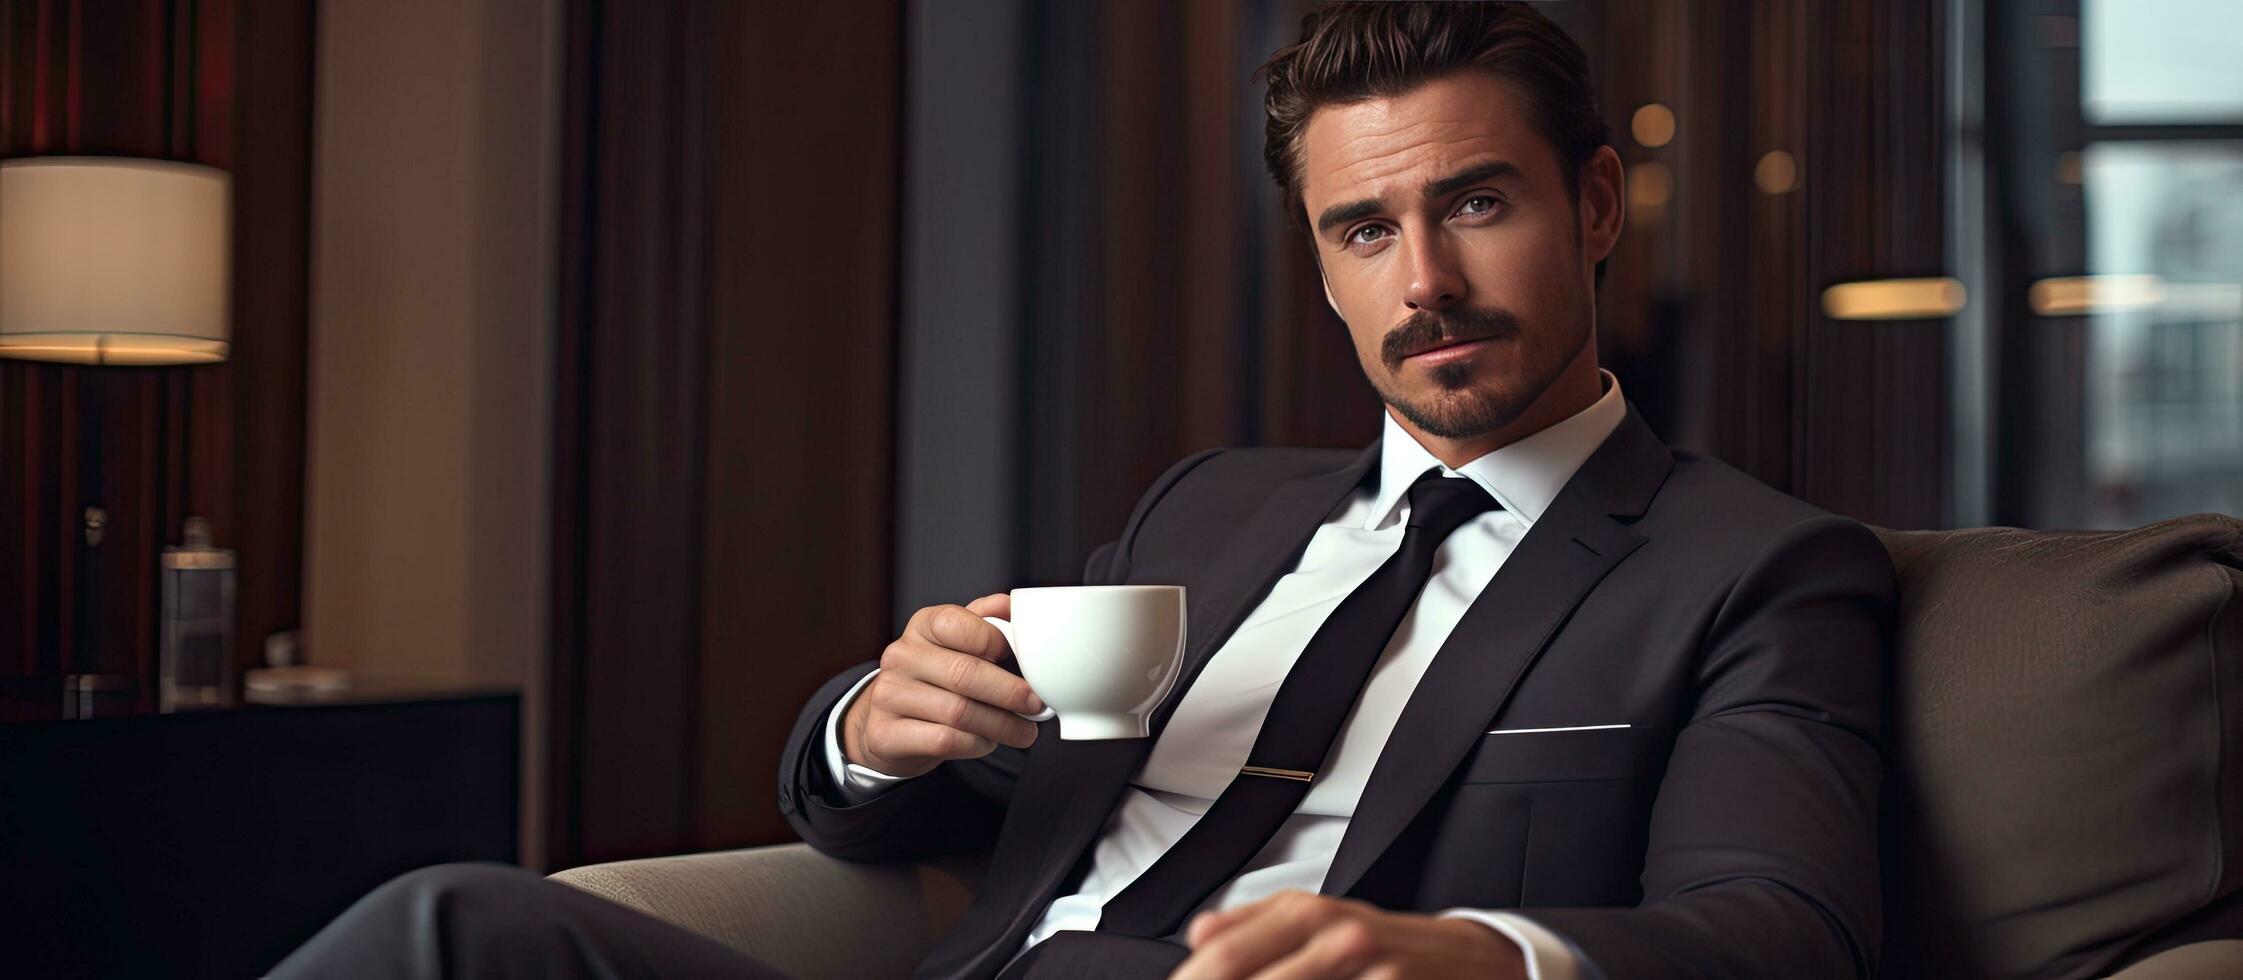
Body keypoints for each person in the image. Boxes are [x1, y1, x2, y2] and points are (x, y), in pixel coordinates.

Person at [273, 4, 1894, 978]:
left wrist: (1468, 955)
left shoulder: (1752, 568)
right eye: (1364, 231)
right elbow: (958, 806)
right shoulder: (1214, 514)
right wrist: (875, 724)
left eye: (1478, 206)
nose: (1428, 283)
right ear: (1320, 263)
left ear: (1597, 204)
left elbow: (1782, 930)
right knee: (452, 929)